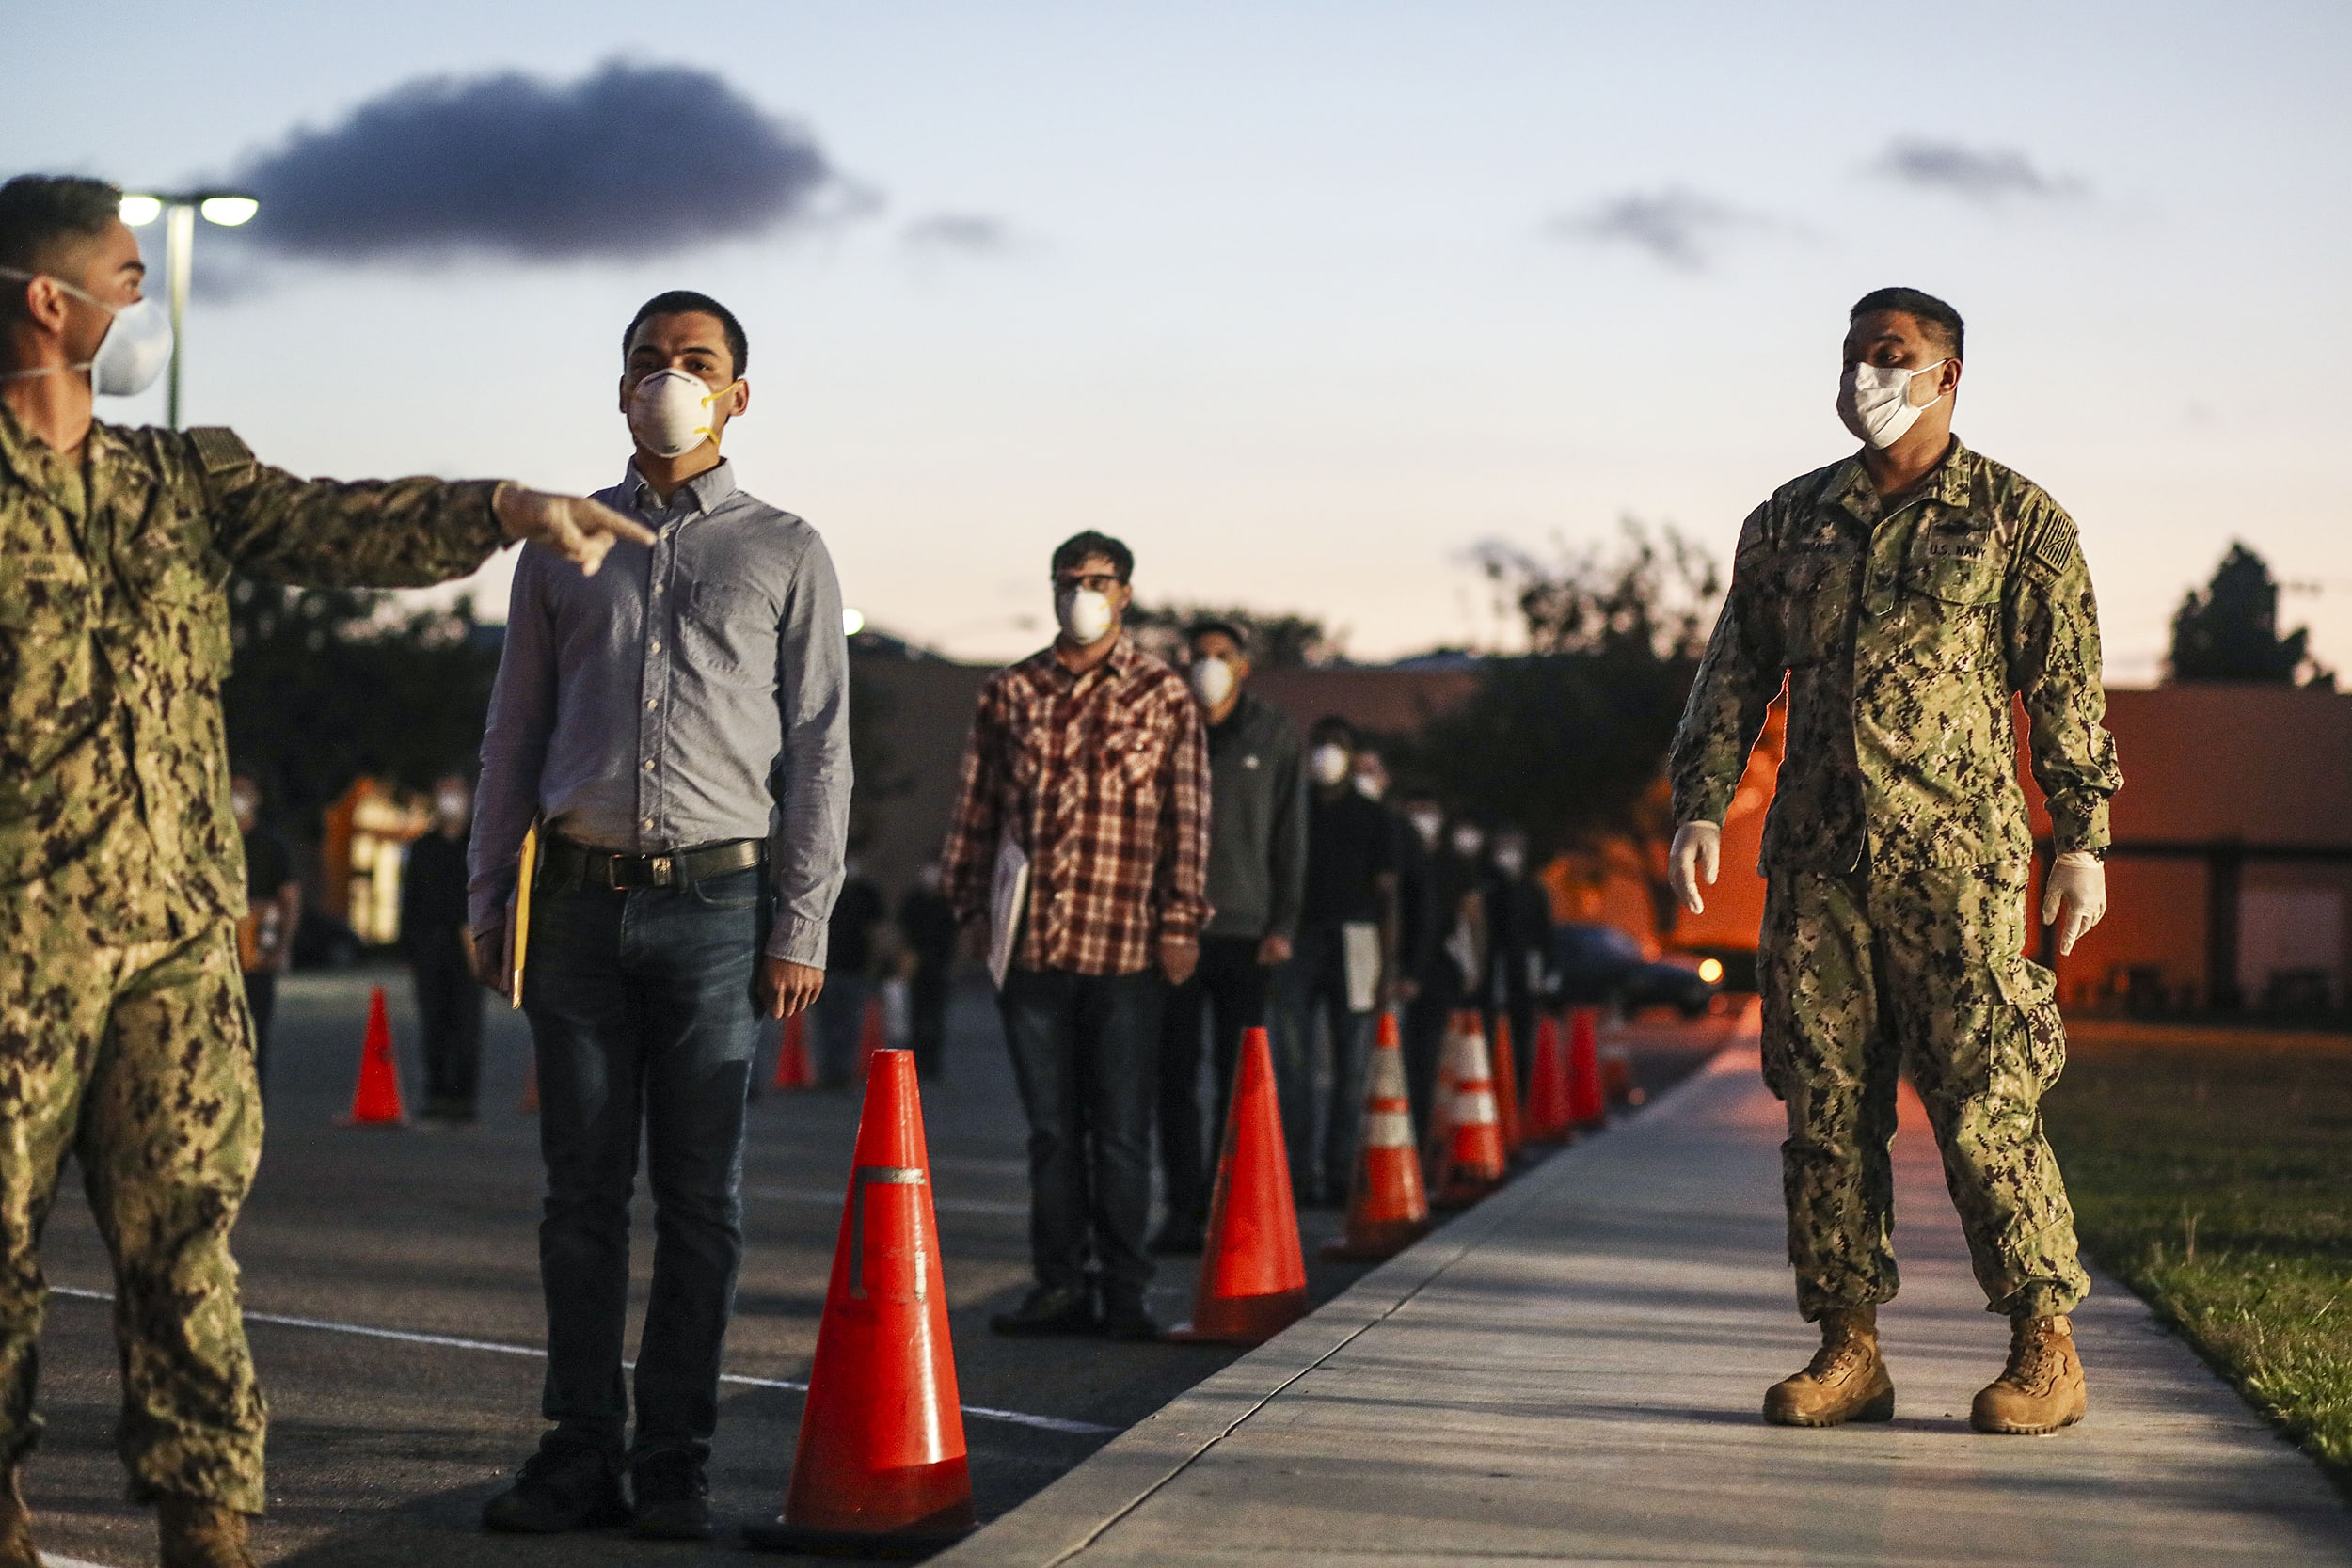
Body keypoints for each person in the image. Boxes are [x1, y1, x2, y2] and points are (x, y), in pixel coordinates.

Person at [0, 173, 649, 1568]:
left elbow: (337, 522)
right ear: (49, 301)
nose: (141, 299)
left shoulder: (176, 480)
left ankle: (209, 1522)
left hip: (177, 941)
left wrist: (501, 507)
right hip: (12, 951)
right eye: (125, 275)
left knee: (186, 1241)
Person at [1668, 286, 2119, 1438]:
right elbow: (1733, 672)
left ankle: (2044, 1345)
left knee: (1983, 1100)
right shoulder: (1787, 521)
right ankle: (1847, 1347)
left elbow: (2065, 687)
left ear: (1945, 374)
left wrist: (2080, 838)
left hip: (1959, 863)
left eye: (1889, 353)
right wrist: (1701, 803)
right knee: (1823, 1104)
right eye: (1852, 355)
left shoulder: (2017, 520)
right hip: (1818, 861)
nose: (1863, 375)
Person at [468, 290, 850, 1539]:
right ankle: (578, 1449)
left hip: (721, 905)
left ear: (737, 393)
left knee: (701, 1198)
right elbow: (513, 731)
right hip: (575, 902)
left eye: (695, 361)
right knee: (579, 1194)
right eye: (647, 360)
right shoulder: (560, 546)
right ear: (620, 386)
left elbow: (821, 746)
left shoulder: (785, 548)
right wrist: (488, 894)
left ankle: (674, 1456)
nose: (668, 379)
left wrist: (801, 920)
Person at [941, 531, 1208, 1341]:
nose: (1081, 594)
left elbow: (1188, 816)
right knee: (1052, 1133)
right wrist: (969, 906)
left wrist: (1182, 920)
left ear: (1125, 593)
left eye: (1097, 580)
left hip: (1125, 947)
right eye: (1068, 580)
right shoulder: (1010, 691)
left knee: (1121, 1131)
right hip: (1032, 947)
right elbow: (977, 805)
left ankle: (1125, 1291)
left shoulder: (1163, 694)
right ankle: (1058, 1283)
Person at [1151, 620, 1304, 1255]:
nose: (1208, 665)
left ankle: (1227, 1205)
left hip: (1247, 930)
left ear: (1244, 666)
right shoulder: (1164, 724)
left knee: (1237, 1077)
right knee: (1173, 1076)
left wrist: (1283, 923)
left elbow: (1290, 834)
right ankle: (1183, 1209)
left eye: (1221, 655)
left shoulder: (1274, 734)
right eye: (1199, 655)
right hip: (1176, 930)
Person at [1288, 716, 1401, 1205]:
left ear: (1351, 756)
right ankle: (1297, 1174)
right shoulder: (1294, 808)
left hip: (1357, 940)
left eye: (1336, 746)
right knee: (1294, 1067)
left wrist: (1387, 967)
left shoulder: (1373, 816)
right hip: (1298, 937)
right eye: (1320, 744)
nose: (1326, 755)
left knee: (1351, 1067)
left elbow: (1388, 896)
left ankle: (1338, 1173)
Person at [401, 773, 483, 1124]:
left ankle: (463, 1098)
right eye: (443, 793)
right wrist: (409, 947)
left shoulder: (478, 844)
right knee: (433, 1023)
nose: (449, 800)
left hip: (467, 946)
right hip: (430, 945)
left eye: (455, 793)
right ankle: (436, 1095)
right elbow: (410, 900)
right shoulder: (423, 847)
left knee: (466, 1024)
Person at [230, 773, 299, 1101]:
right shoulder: (215, 839)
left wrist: (282, 947)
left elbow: (290, 900)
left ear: (256, 797)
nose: (235, 798)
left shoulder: (271, 845)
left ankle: (254, 1103)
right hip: (223, 953)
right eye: (231, 791)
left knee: (256, 1033)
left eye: (242, 791)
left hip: (259, 951)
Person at [1482, 825, 1553, 1102]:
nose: (1508, 855)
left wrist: (1548, 970)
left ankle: (1520, 1094)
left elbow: (1545, 932)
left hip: (1524, 971)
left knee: (1522, 1035)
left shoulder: (1533, 890)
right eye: (1503, 848)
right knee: (1492, 1031)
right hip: (1495, 970)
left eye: (1514, 849)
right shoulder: (1488, 887)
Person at [818, 860, 888, 1087]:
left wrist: (876, 964)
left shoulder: (866, 893)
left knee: (850, 1023)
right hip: (827, 968)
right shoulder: (827, 887)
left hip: (855, 968)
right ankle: (829, 1072)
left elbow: (877, 931)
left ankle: (844, 1071)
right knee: (827, 1023)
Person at [898, 861, 960, 1080]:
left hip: (939, 967)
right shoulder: (915, 901)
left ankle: (931, 1063)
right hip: (918, 966)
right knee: (917, 1016)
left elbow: (953, 933)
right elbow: (904, 929)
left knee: (934, 1017)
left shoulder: (946, 902)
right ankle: (917, 1061)